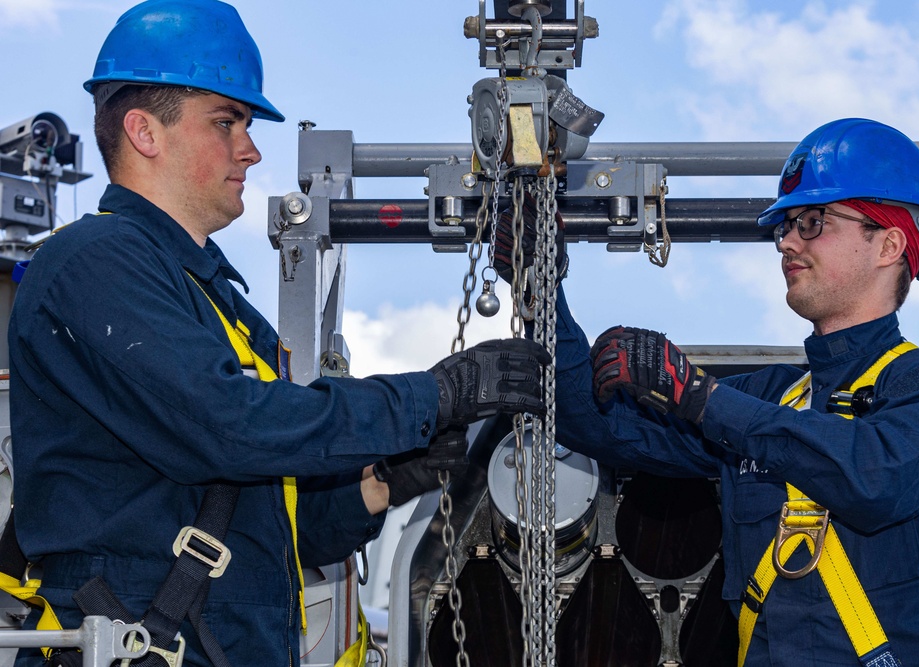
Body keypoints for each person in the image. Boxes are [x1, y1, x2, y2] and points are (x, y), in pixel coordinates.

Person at [6, 1, 548, 665]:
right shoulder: (93, 262)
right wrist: (433, 396)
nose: (251, 148)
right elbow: (228, 426)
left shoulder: (219, 307)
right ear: (145, 132)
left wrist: (382, 480)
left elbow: (267, 525)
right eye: (226, 121)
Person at [501, 118, 919, 666]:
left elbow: (872, 479)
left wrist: (702, 398)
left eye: (812, 221)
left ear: (889, 244)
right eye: (785, 226)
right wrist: (541, 291)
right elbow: (589, 425)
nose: (785, 241)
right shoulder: (768, 398)